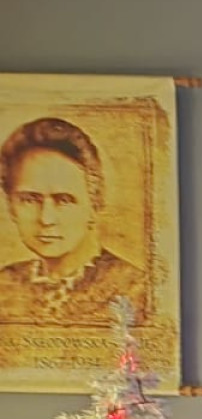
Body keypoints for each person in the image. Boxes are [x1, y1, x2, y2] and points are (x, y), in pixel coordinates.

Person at [0, 117, 146, 325]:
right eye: (30, 200)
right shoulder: (5, 285)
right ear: (11, 206)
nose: (46, 219)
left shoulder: (136, 289)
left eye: (64, 200)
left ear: (94, 203)